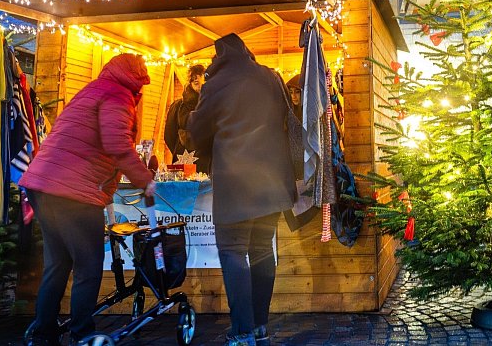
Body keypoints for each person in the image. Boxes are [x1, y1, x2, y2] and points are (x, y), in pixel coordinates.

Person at [18, 54, 157, 346]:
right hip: (74, 192)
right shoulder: (118, 96)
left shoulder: (92, 90)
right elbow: (117, 144)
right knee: (88, 266)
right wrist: (145, 180)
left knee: (57, 264)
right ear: (135, 80)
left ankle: (44, 333)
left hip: (42, 185)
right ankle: (82, 334)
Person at [188, 34, 296, 346]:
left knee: (233, 251)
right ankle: (260, 325)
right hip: (272, 182)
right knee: (262, 250)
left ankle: (242, 331)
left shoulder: (217, 84)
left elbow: (197, 132)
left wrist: (200, 125)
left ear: (218, 57)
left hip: (237, 184)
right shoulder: (269, 76)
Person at [163, 63, 206, 162]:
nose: (200, 87)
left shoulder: (211, 105)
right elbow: (169, 135)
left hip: (206, 161)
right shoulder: (178, 106)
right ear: (190, 83)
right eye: (196, 83)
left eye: (203, 84)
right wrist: (180, 151)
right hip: (184, 159)